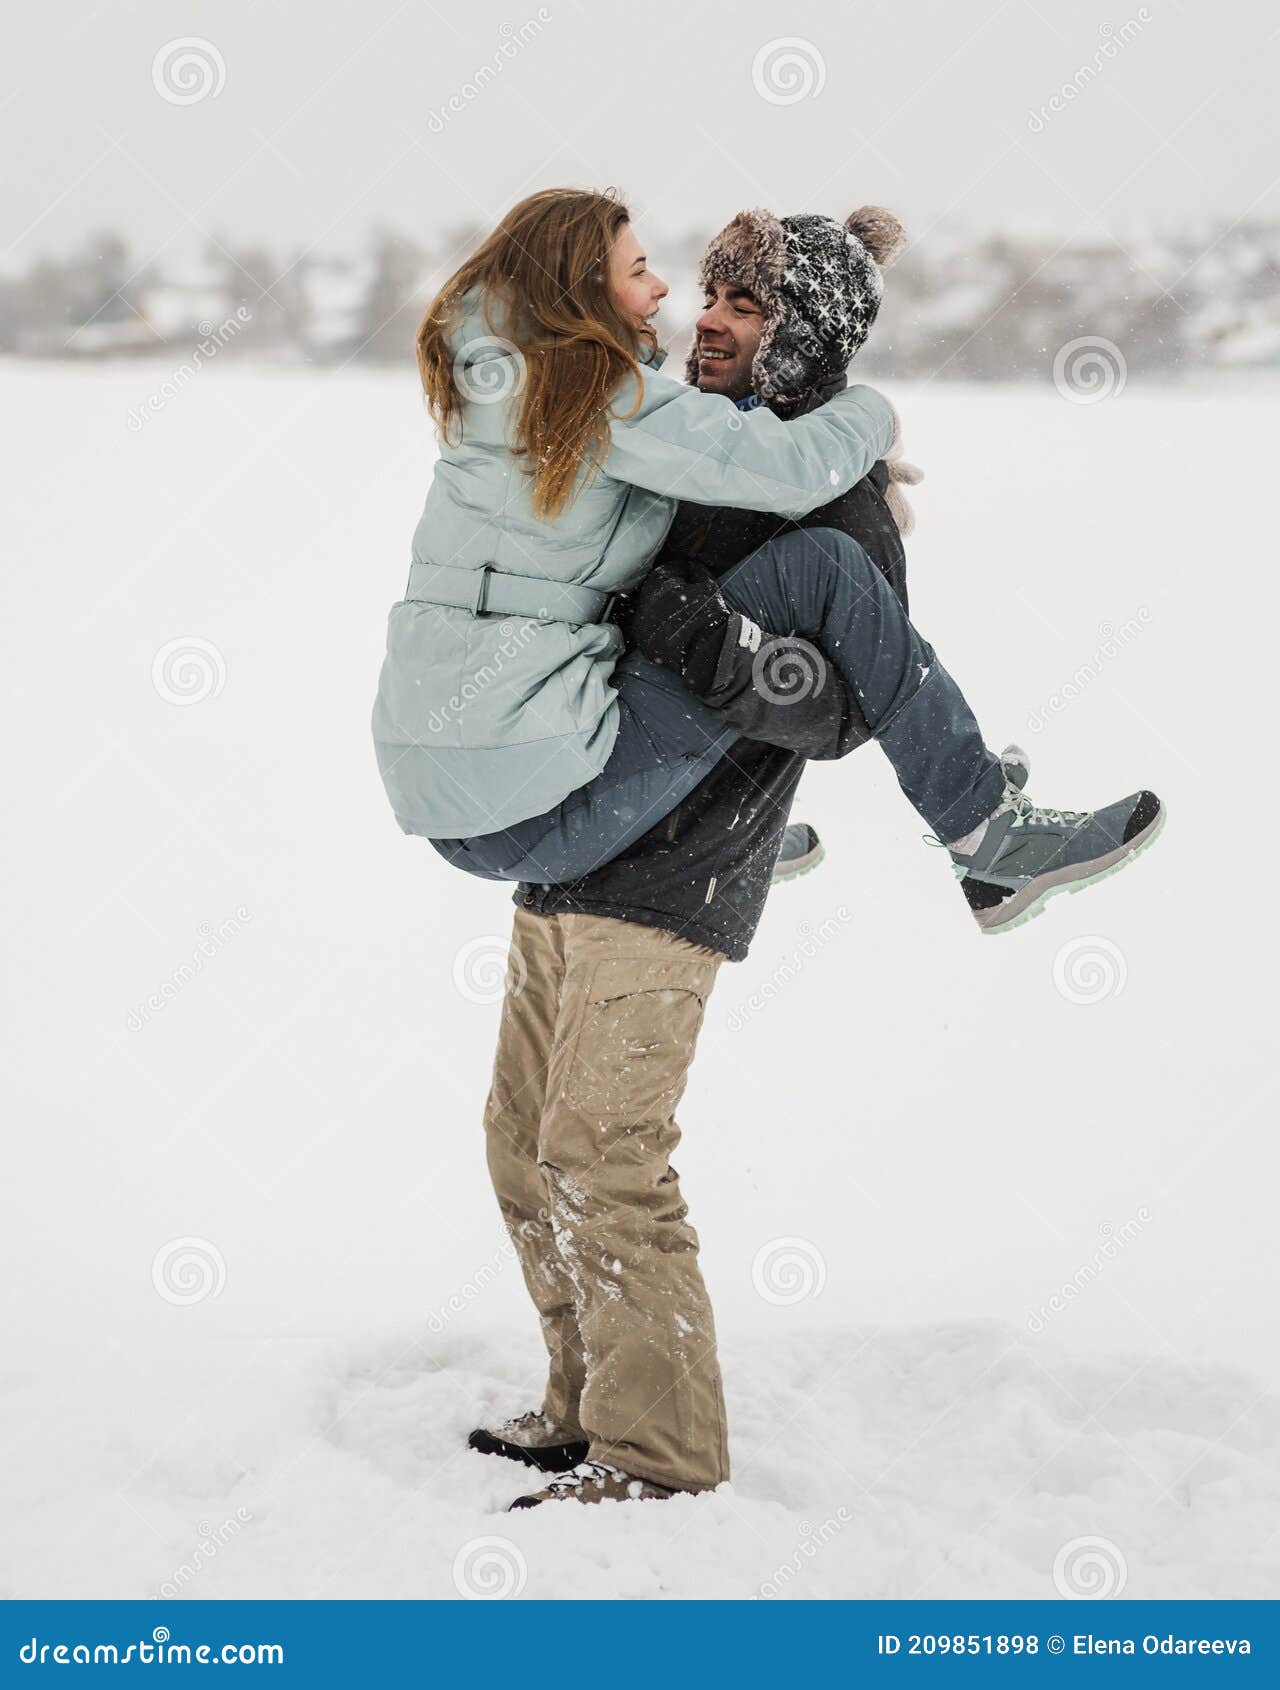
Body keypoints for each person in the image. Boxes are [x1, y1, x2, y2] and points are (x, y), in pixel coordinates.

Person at [370, 189, 1164, 1508]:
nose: (705, 315)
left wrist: (710, 645)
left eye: (750, 305)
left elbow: (847, 695)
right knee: (526, 1143)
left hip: (673, 866)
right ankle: (579, 1399)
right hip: (582, 826)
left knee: (604, 1149)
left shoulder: (823, 486)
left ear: (806, 337)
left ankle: (657, 1457)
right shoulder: (666, 427)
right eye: (701, 289)